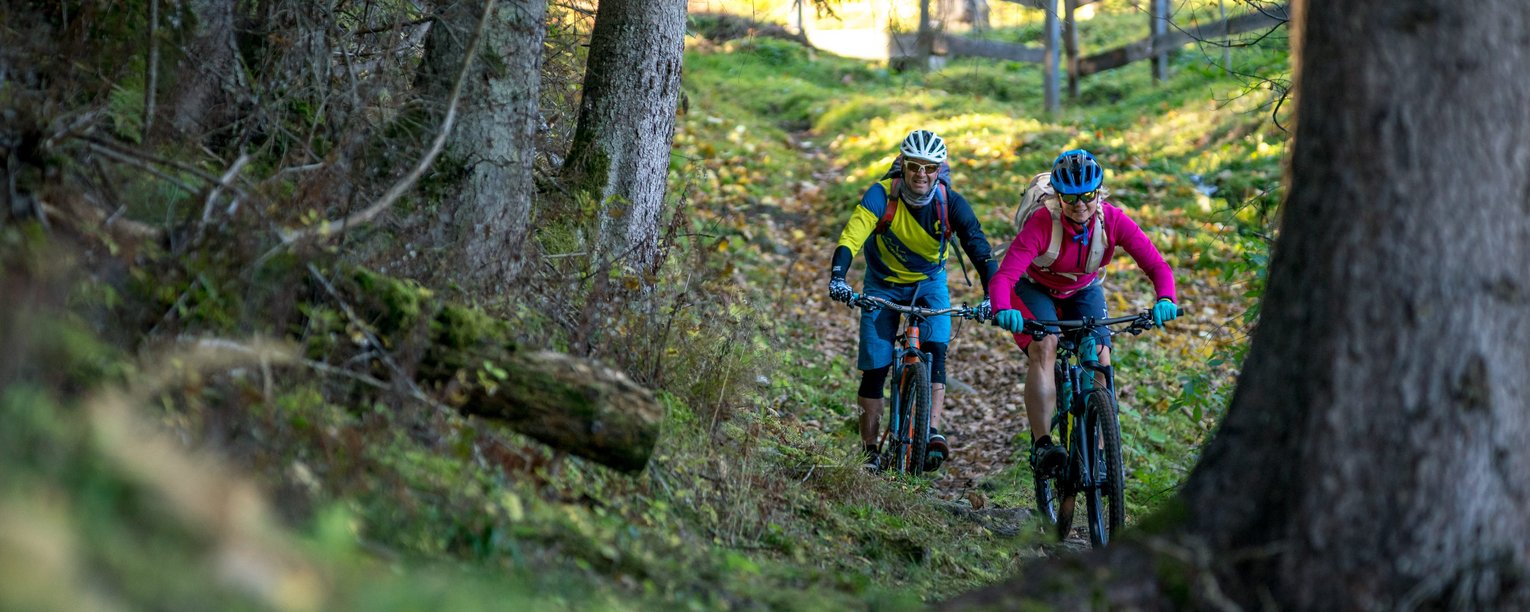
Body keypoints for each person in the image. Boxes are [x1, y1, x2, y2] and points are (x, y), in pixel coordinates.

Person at [988, 149, 1180, 474]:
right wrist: (1002, 309)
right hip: (1034, 287)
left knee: (1100, 356)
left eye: (1088, 196)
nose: (1080, 205)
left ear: (1099, 192)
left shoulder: (1114, 220)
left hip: (1082, 289)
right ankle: (1043, 444)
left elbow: (1156, 265)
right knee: (1045, 345)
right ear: (1058, 197)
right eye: (1070, 198)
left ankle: (1100, 455)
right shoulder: (1041, 223)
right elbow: (1005, 276)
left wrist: (1166, 299)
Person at [826, 129, 998, 472]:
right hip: (883, 284)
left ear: (940, 169)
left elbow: (979, 248)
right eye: (915, 166)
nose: (922, 174)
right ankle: (870, 451)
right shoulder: (881, 195)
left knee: (936, 350)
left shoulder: (951, 203)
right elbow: (853, 233)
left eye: (930, 167)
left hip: (929, 283)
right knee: (875, 368)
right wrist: (838, 276)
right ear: (903, 165)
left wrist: (995, 296)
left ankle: (931, 430)